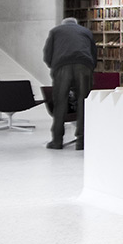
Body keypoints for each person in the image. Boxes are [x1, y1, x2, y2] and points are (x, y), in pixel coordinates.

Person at [42, 16, 96, 150]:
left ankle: (57, 141)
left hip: (62, 66)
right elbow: (93, 53)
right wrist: (90, 68)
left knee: (60, 102)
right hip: (83, 65)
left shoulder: (55, 31)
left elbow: (47, 53)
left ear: (63, 24)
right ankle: (81, 141)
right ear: (76, 24)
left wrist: (54, 67)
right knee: (83, 102)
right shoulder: (86, 32)